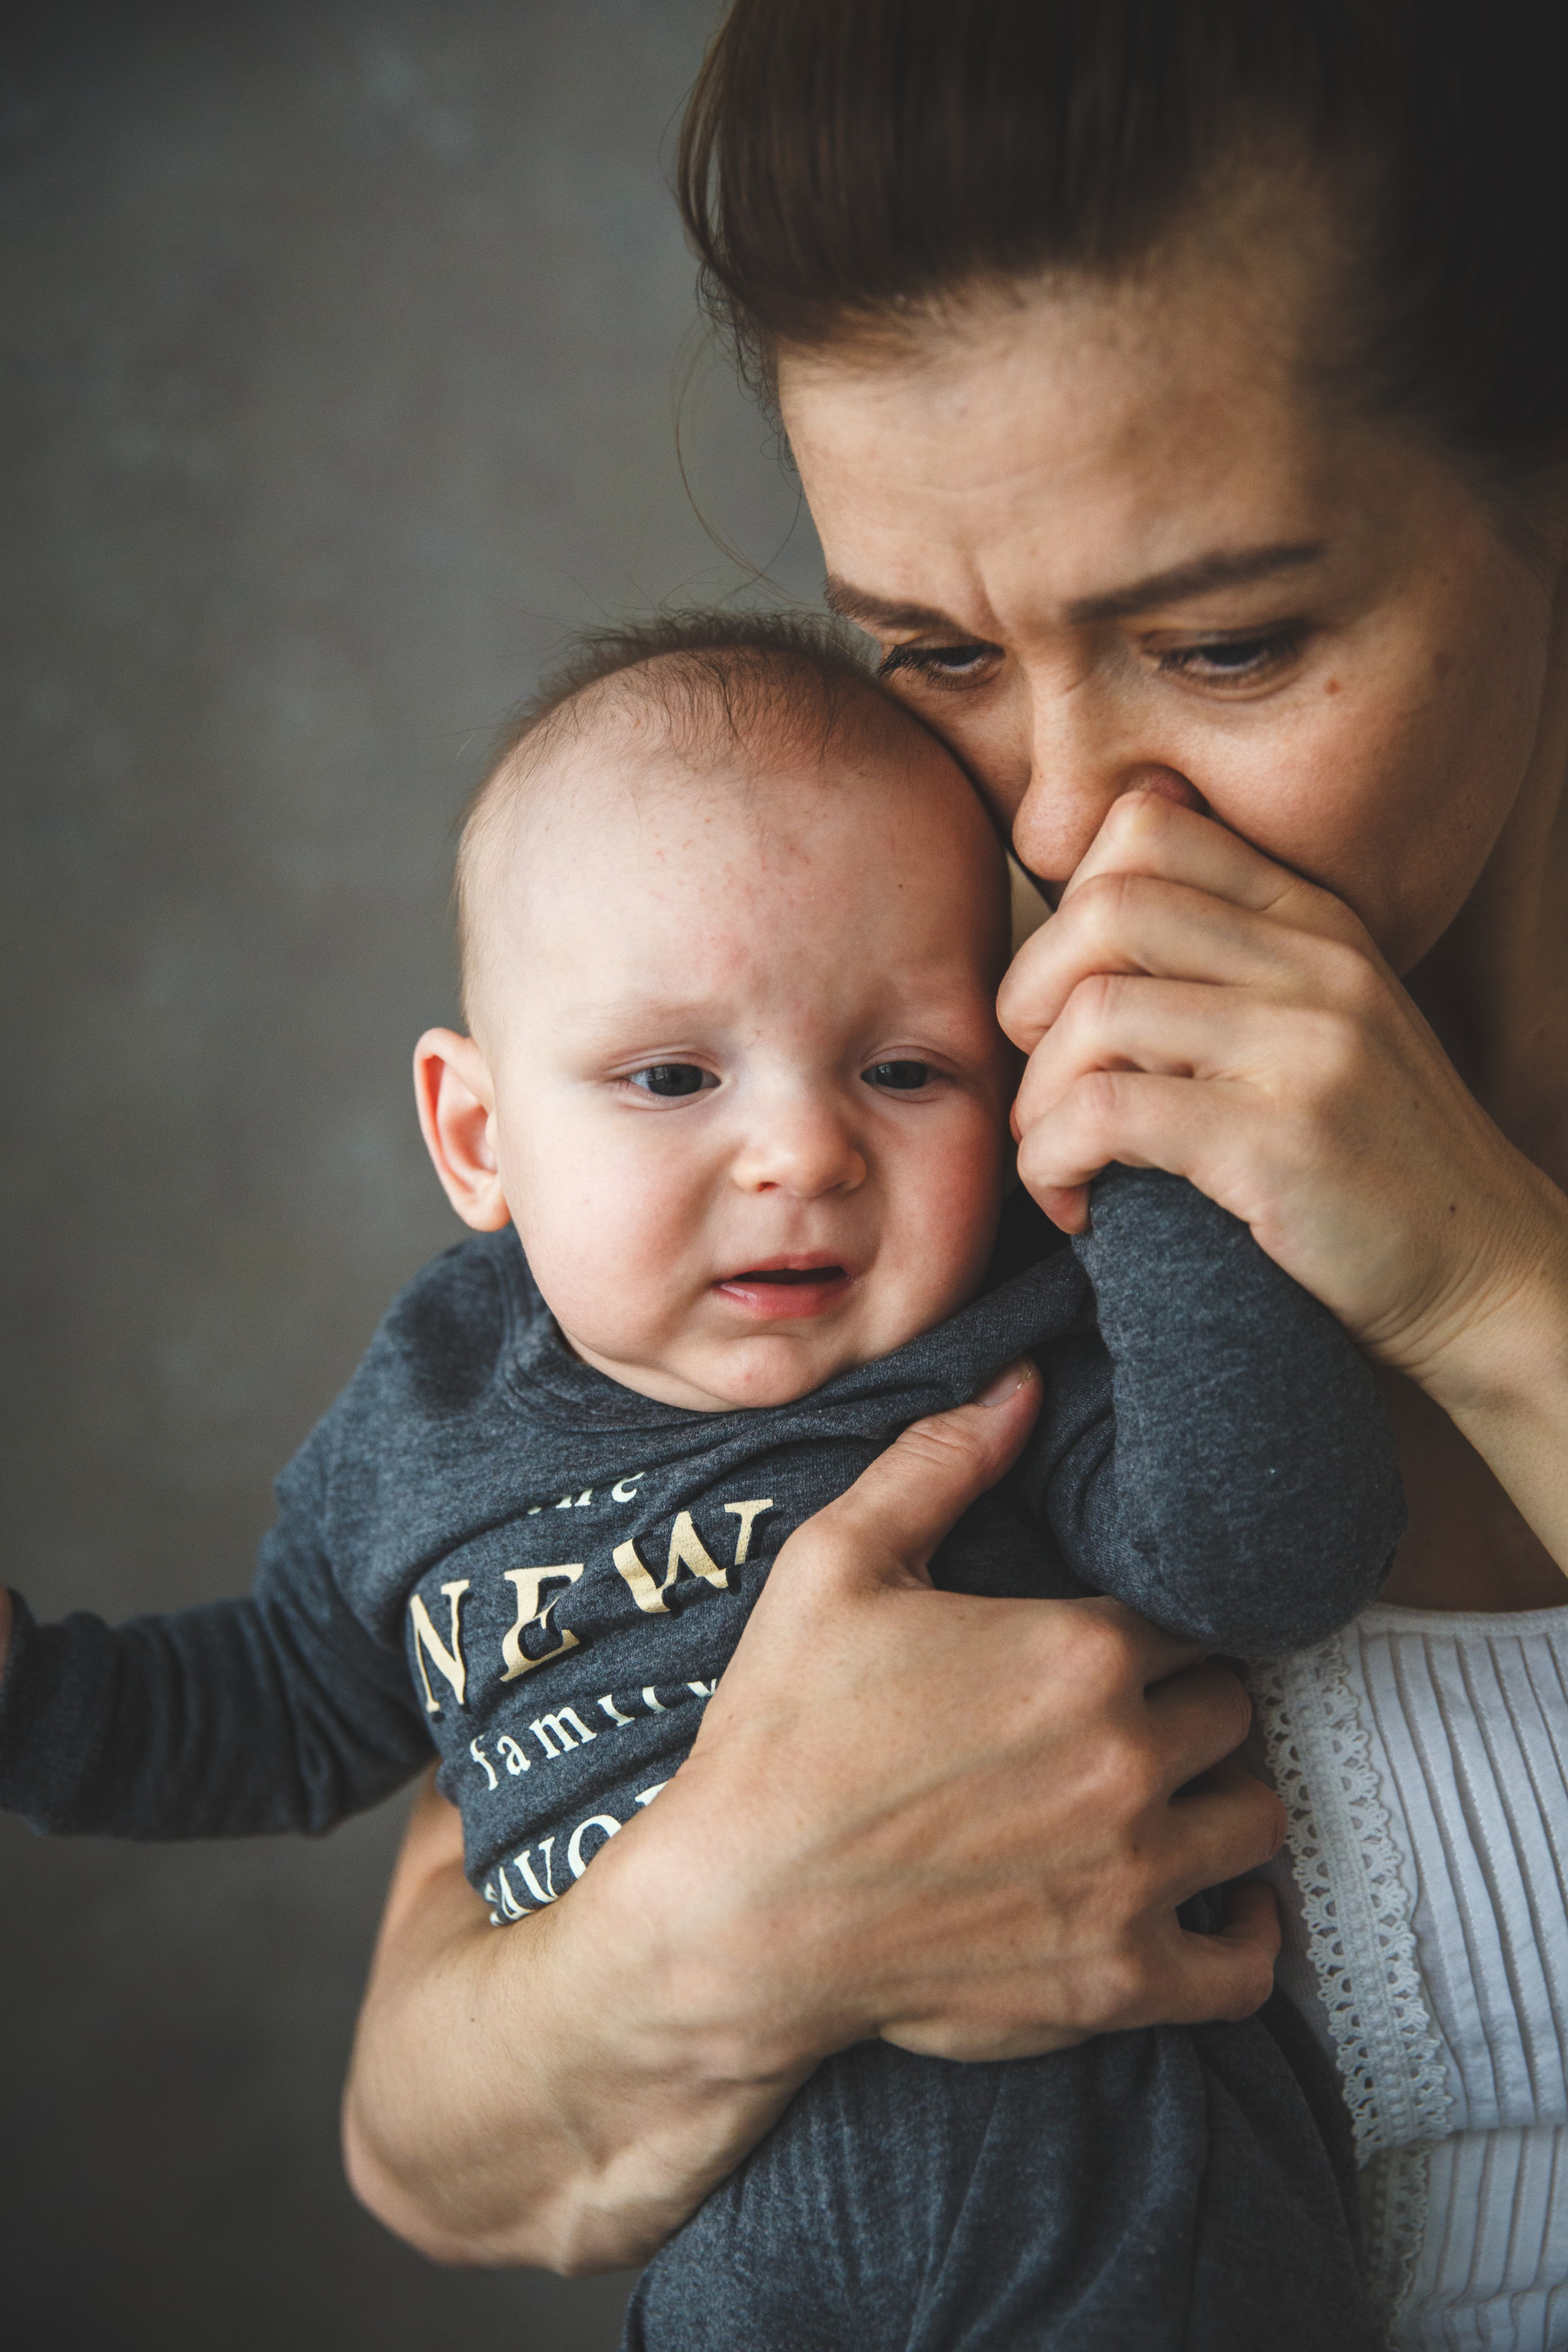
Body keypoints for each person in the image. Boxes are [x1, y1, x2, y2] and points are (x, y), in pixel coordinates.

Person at [344, 4, 1568, 2343]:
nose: (1061, 829)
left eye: (1224, 641)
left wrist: (1490, 1285)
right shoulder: (861, 1166)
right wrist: (738, 1933)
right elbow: (424, 2128)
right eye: (932, 652)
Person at [0, 613, 1402, 2347]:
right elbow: (283, 1707)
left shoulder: (1011, 1331)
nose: (805, 1149)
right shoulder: (434, 1413)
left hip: (1106, 2211)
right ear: (478, 1136)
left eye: (907, 1070)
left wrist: (1167, 1174)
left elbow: (1268, 1556)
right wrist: (32, 1693)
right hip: (733, 2265)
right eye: (671, 1077)